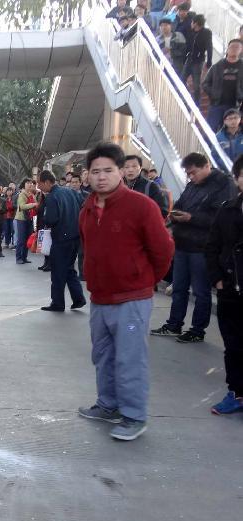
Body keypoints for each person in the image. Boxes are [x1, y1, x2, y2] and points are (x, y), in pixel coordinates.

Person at [78, 142, 175, 441]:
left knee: (130, 359)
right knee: (103, 356)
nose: (101, 177)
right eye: (96, 171)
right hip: (100, 297)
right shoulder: (87, 208)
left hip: (132, 299)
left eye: (108, 170)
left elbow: (163, 250)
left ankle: (134, 416)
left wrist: (143, 281)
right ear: (88, 174)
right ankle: (108, 406)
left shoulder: (141, 206)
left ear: (121, 172)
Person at [152, 152, 236, 342]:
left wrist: (191, 218)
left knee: (201, 291)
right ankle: (174, 324)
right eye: (188, 174)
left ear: (206, 166)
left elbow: (221, 218)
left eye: (193, 172)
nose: (191, 177)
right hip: (183, 244)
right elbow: (181, 204)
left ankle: (197, 330)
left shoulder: (224, 185)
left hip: (203, 247)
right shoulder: (192, 185)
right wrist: (175, 215)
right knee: (179, 288)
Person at [205, 154, 243, 414]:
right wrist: (218, 279)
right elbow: (212, 246)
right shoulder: (227, 209)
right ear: (237, 179)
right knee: (234, 345)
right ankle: (237, 393)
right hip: (231, 288)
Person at [37, 170, 86, 312]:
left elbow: (51, 219)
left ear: (47, 182)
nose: (39, 186)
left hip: (61, 238)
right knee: (69, 269)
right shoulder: (71, 192)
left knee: (58, 271)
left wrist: (45, 219)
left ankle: (57, 303)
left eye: (40, 183)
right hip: (75, 236)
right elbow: (82, 207)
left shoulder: (52, 197)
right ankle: (78, 298)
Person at [202, 39, 243, 131]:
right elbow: (205, 83)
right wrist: (213, 93)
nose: (234, 49)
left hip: (235, 106)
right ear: (227, 49)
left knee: (230, 131)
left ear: (241, 50)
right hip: (217, 104)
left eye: (237, 47)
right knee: (210, 129)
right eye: (232, 47)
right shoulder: (217, 66)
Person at [183, 14, 213, 101]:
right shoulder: (191, 32)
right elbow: (188, 45)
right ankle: (185, 97)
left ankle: (196, 103)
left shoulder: (206, 33)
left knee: (196, 84)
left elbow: (209, 47)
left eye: (192, 22)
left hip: (198, 61)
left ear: (195, 23)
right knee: (182, 79)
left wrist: (209, 61)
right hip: (189, 59)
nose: (191, 24)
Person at [14, 178, 37, 264]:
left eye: (31, 183)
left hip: (29, 218)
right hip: (21, 219)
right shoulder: (22, 194)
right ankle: (18, 258)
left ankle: (24, 257)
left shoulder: (31, 194)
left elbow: (36, 203)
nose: (30, 184)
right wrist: (33, 204)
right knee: (21, 239)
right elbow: (22, 206)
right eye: (28, 183)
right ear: (24, 185)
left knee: (27, 238)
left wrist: (34, 200)